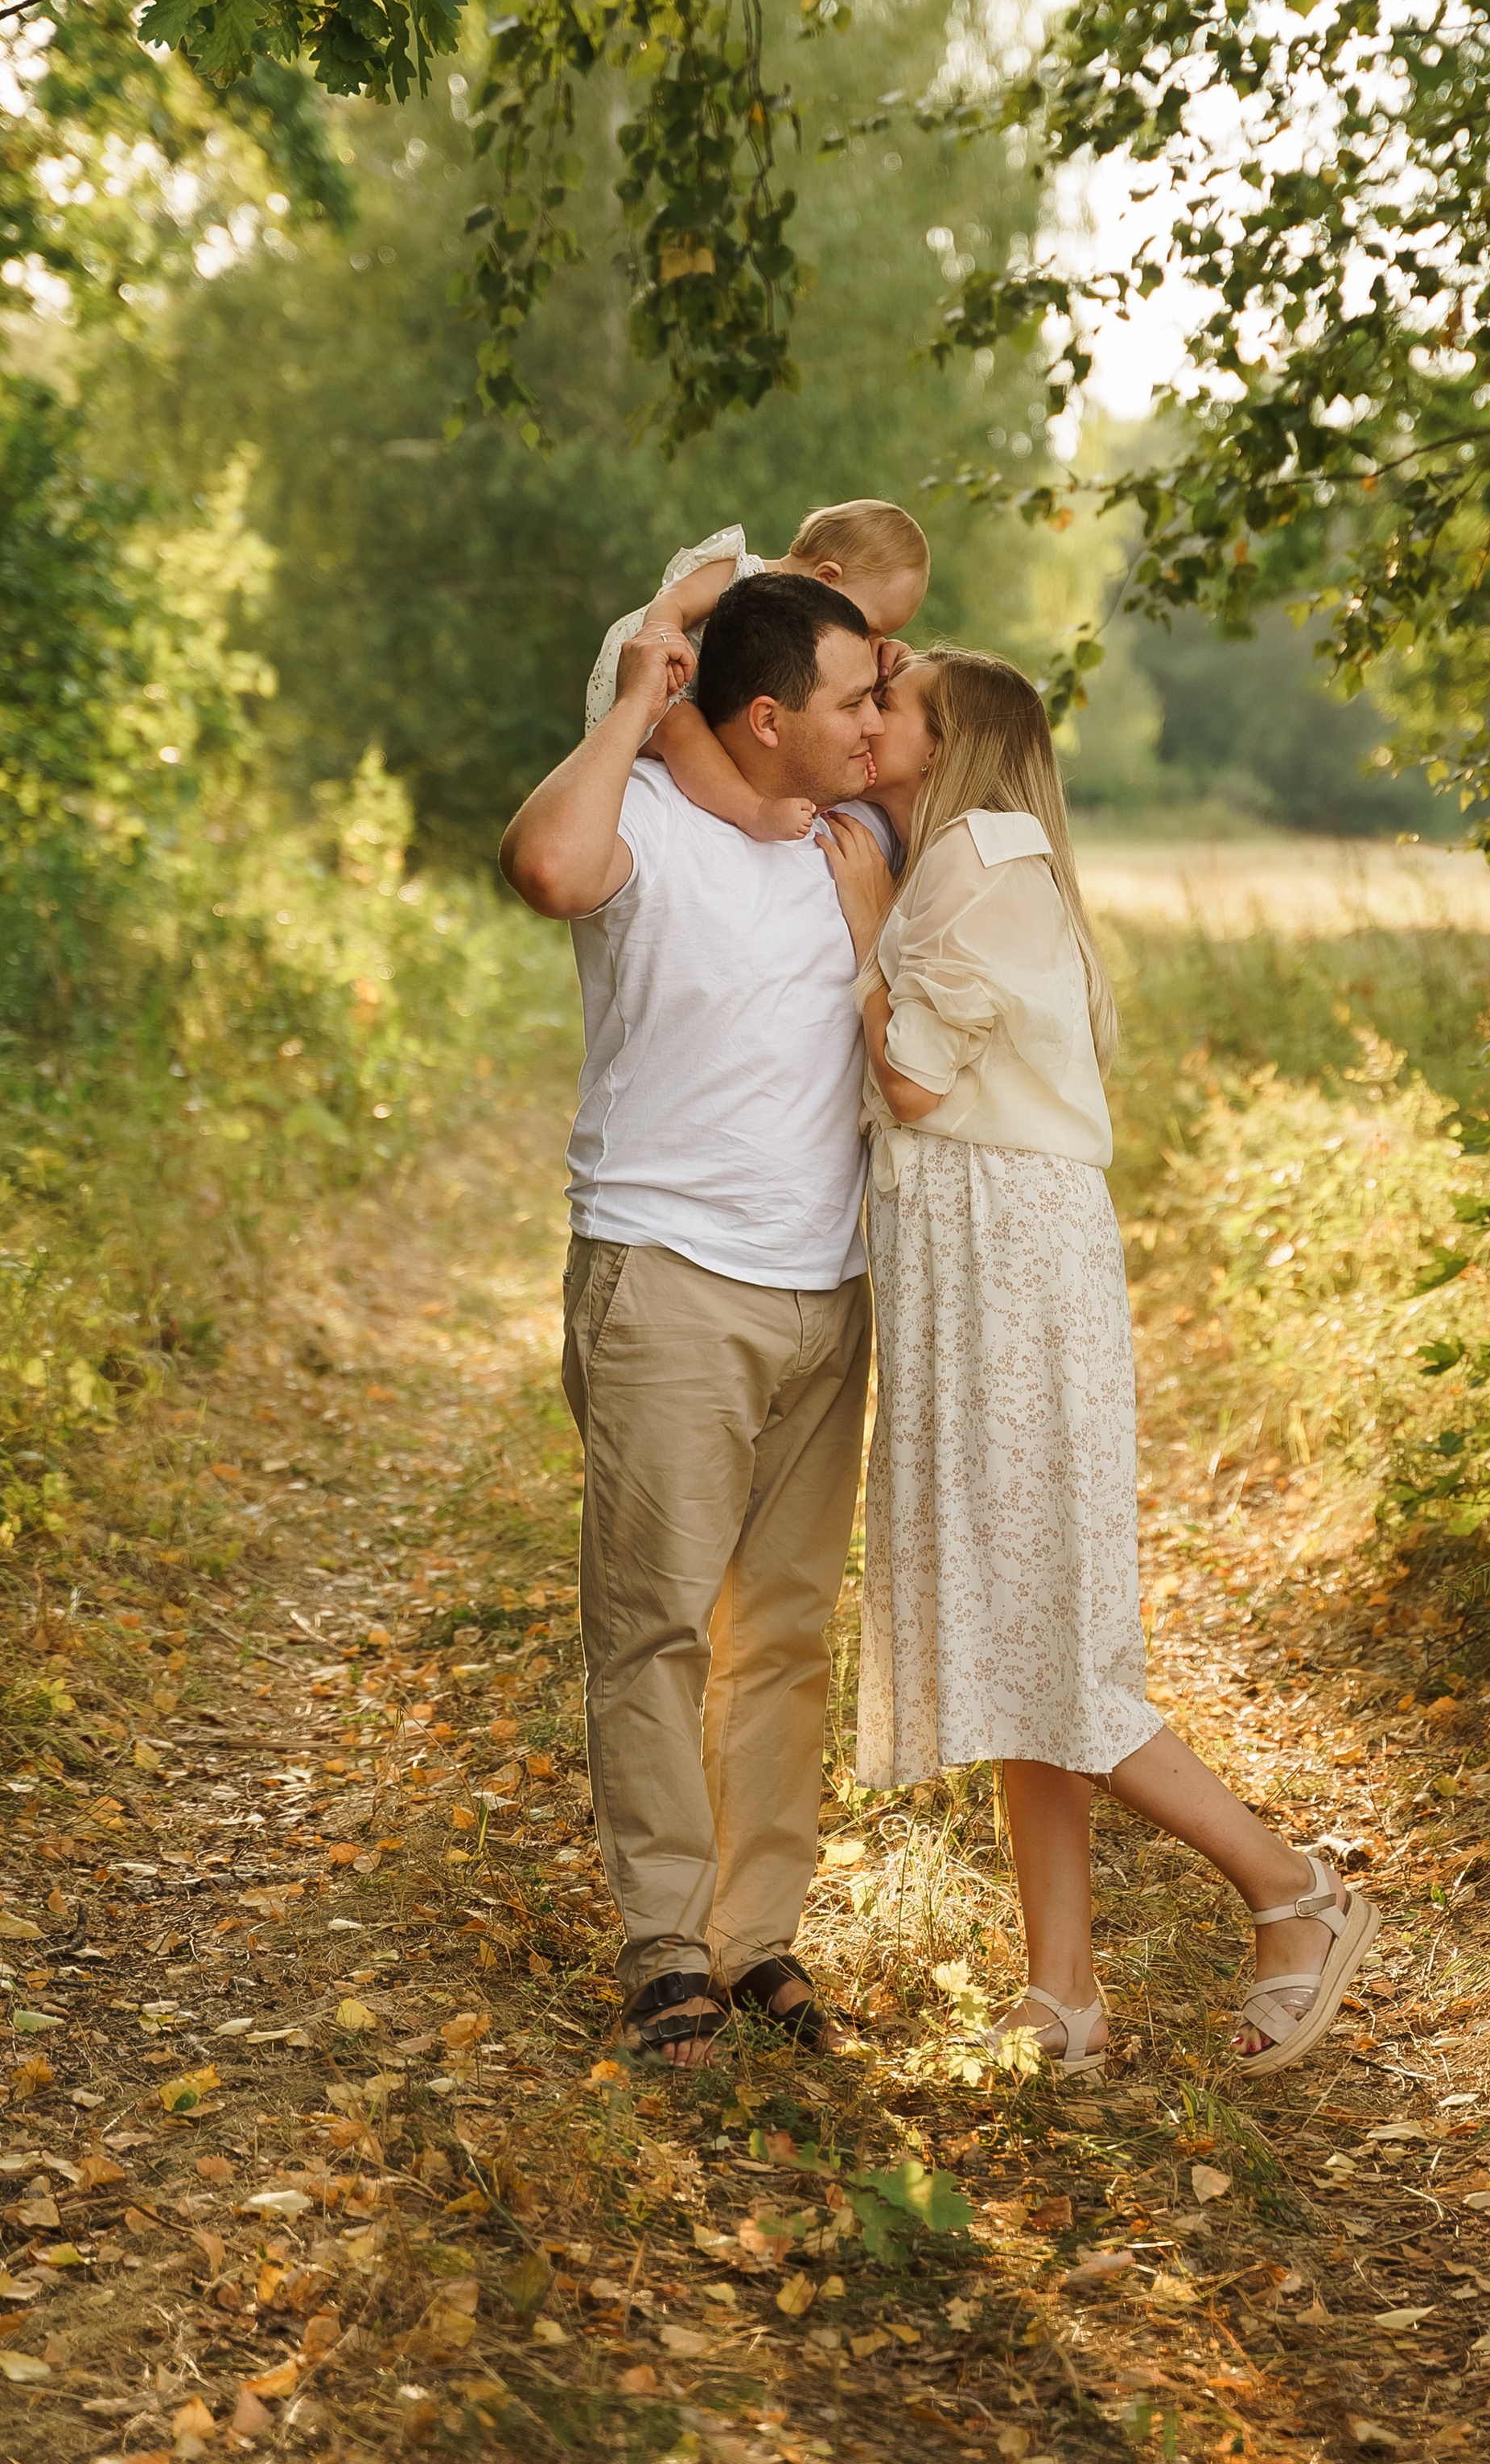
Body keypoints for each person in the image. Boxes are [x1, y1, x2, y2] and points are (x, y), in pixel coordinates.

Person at [816, 649, 1379, 2075]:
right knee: (1019, 1629)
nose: (868, 722)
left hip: (1010, 1267)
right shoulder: (968, 856)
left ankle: (1291, 1891)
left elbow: (916, 1081)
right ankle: (1063, 1991)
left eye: (896, 707)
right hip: (982, 1262)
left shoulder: (974, 863)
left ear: (958, 746)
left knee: (1053, 1640)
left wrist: (870, 921)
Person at [500, 573, 891, 2066]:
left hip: (825, 1293)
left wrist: (878, 674)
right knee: (655, 1625)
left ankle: (757, 1938)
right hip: (666, 1282)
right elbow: (544, 864)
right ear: (769, 714)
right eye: (849, 699)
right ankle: (667, 1946)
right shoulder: (640, 825)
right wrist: (637, 701)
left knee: (783, 1635)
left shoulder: (845, 843)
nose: (873, 720)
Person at [584, 500, 930, 846]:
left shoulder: (807, 629)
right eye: (871, 628)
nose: (871, 640)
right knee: (681, 730)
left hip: (715, 691)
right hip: (656, 675)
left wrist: (890, 665)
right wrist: (663, 638)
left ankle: (811, 801)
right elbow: (675, 600)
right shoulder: (738, 572)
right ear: (827, 579)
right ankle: (751, 810)